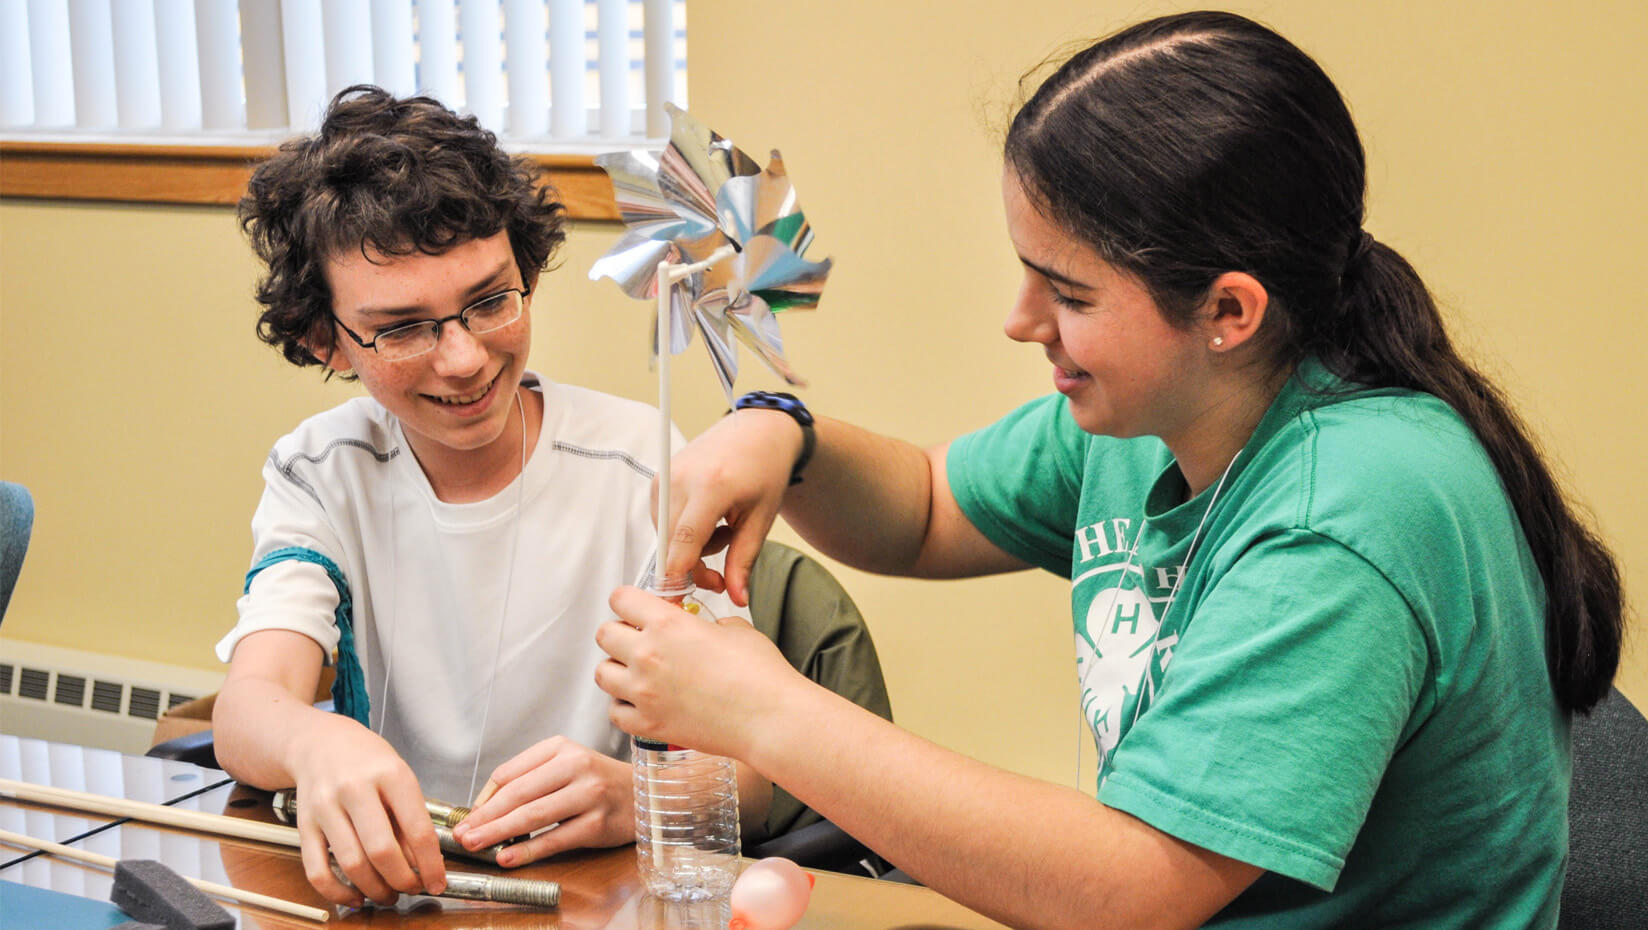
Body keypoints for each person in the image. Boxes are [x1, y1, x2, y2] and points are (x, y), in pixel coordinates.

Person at [595, 11, 1625, 929]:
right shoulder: (1151, 417)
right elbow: (920, 508)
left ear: (1228, 311)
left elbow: (1131, 890)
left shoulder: (1344, 517)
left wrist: (763, 712)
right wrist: (788, 437)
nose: (1019, 321)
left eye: (1068, 293)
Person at [211, 85, 765, 908]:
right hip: (400, 893)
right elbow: (248, 705)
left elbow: (757, 759)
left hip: (584, 901)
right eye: (402, 328)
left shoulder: (640, 466)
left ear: (527, 273)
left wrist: (630, 795)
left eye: (490, 301)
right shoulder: (323, 471)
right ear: (324, 339)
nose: (465, 358)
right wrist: (312, 742)